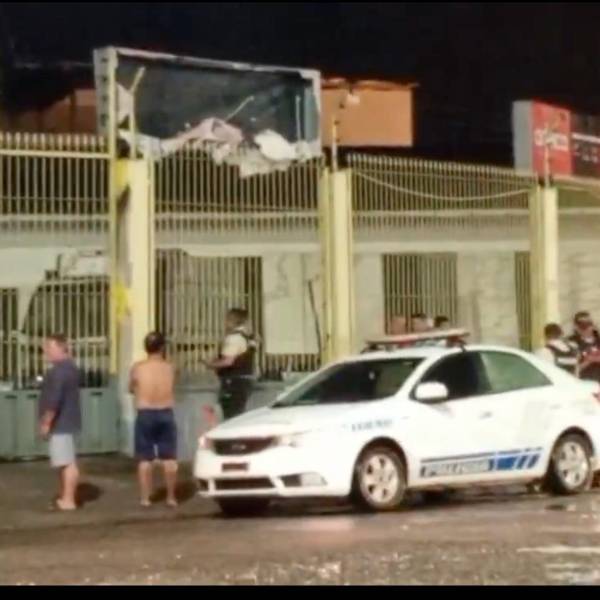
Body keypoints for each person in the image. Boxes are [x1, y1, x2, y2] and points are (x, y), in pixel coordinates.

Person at [129, 331, 178, 508]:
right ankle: (171, 497)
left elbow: (131, 387)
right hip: (166, 412)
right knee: (169, 459)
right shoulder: (171, 367)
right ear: (162, 347)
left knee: (145, 459)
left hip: (145, 413)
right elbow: (173, 384)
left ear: (146, 348)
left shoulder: (137, 368)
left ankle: (145, 498)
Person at [38, 334, 81, 511]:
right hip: (67, 421)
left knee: (67, 463)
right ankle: (65, 497)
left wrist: (46, 422)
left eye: (49, 347)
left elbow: (54, 400)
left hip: (61, 423)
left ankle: (68, 500)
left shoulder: (59, 371)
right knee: (65, 462)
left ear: (61, 348)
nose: (46, 351)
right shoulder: (70, 367)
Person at [210, 308, 257, 421]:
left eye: (227, 319)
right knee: (238, 414)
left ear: (232, 320)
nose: (225, 323)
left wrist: (210, 364)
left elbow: (228, 361)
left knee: (231, 416)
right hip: (245, 381)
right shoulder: (248, 338)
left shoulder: (234, 338)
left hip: (233, 382)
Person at [569, 311, 600, 383]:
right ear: (576, 327)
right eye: (582, 325)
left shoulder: (598, 341)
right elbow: (569, 371)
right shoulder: (571, 343)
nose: (586, 328)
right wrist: (588, 361)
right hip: (583, 383)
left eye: (589, 324)